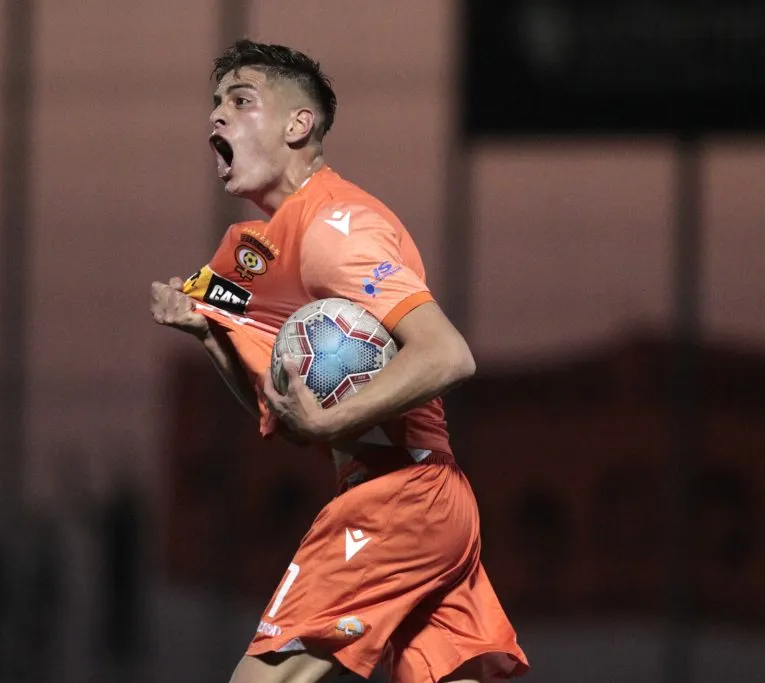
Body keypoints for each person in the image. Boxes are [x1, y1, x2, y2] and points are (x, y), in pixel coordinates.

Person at [150, 40, 529, 683]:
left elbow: (447, 354)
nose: (216, 117)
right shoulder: (256, 252)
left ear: (300, 126)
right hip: (427, 501)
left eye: (240, 102)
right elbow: (284, 411)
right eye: (214, 104)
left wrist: (331, 423)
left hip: (400, 497)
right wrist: (208, 334)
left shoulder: (336, 231)